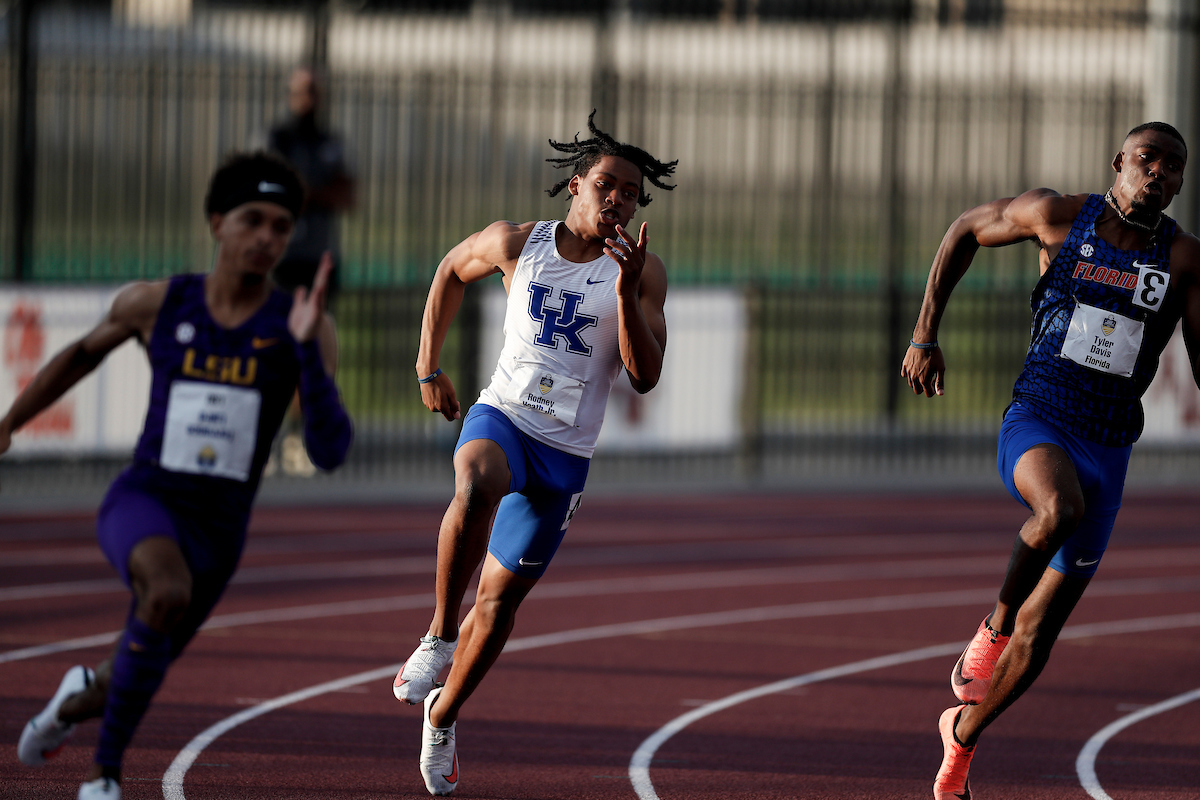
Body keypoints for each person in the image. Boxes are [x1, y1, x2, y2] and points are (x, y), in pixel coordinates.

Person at [7, 152, 353, 800]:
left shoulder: (302, 327)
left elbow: (331, 451)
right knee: (162, 594)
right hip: (145, 499)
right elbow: (79, 356)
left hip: (218, 535)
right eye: (252, 220)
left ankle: (71, 705)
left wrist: (305, 348)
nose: (267, 238)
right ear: (217, 222)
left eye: (281, 227)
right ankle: (103, 777)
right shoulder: (157, 302)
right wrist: (8, 423)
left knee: (131, 671)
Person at [901, 122, 1199, 800]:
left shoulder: (1183, 259)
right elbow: (964, 230)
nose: (1158, 173)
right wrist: (925, 335)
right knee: (1059, 508)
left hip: (1111, 443)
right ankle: (993, 625)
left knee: (1043, 639)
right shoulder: (1059, 217)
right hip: (1040, 414)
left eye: (1174, 166)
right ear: (1119, 162)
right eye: (1147, 159)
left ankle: (962, 739)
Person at [391, 112, 676, 796]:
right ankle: (436, 635)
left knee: (497, 608)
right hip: (505, 418)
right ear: (576, 185)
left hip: (564, 457)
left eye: (632, 193)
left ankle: (444, 715)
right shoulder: (517, 242)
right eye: (607, 184)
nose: (618, 199)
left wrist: (625, 293)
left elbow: (644, 377)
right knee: (475, 483)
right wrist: (429, 367)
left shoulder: (644, 273)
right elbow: (449, 273)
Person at [266, 66, 355, 477]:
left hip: (317, 260)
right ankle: (269, 433)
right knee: (274, 348)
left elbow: (345, 193)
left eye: (314, 92)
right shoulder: (276, 139)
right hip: (281, 261)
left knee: (317, 349)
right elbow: (273, 189)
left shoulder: (328, 142)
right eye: (302, 91)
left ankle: (301, 435)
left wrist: (307, 192)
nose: (308, 100)